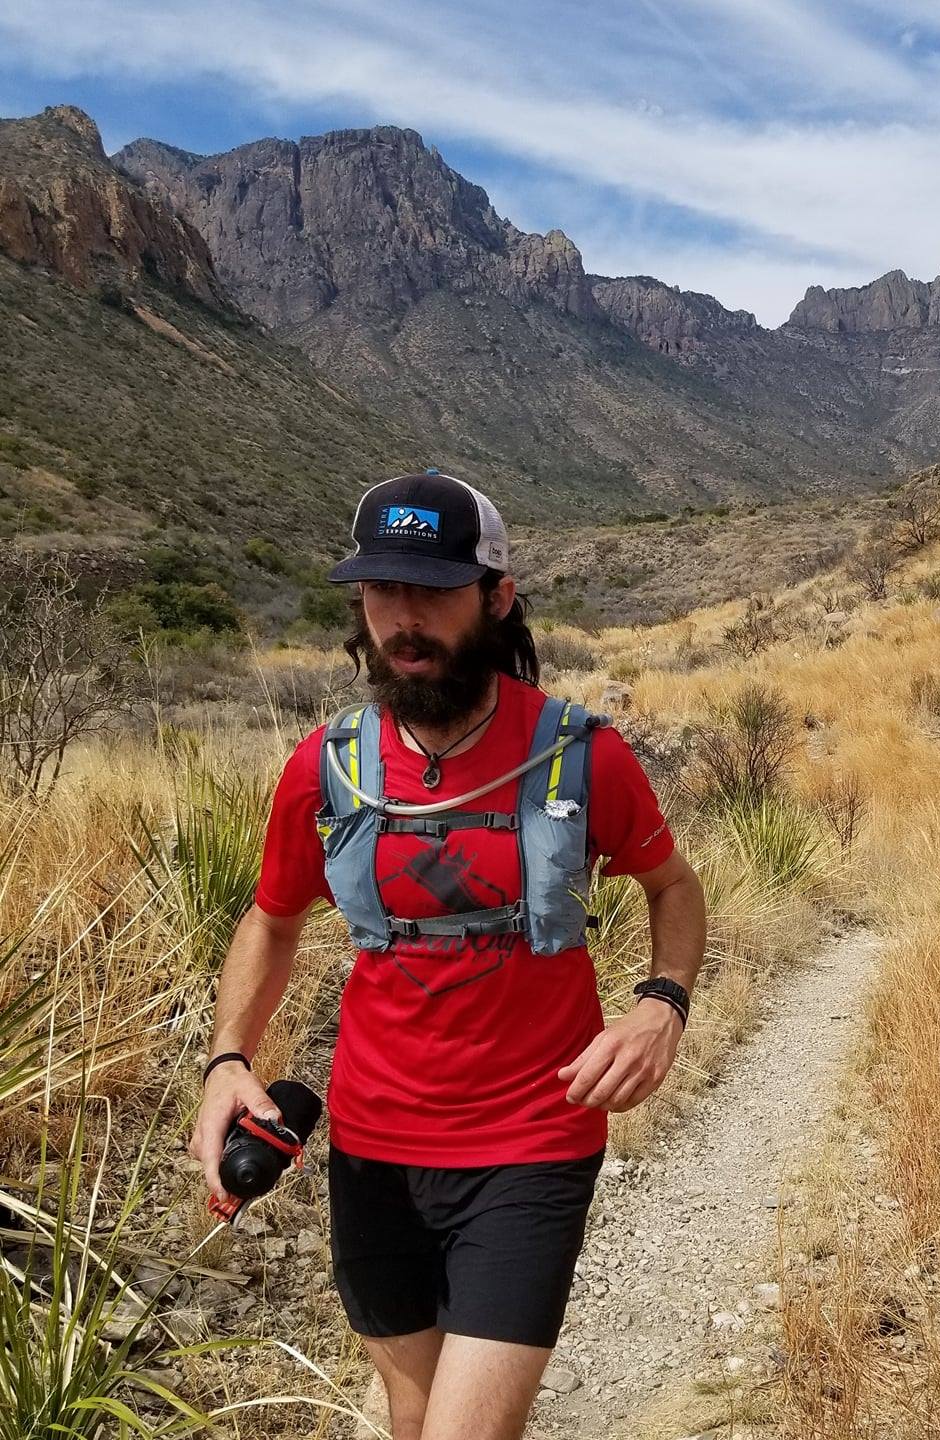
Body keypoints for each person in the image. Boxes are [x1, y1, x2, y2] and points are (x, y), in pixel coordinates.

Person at [190, 470, 707, 1440]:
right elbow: (272, 920)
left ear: (497, 597)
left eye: (430, 591)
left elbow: (672, 888)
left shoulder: (580, 756)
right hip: (373, 1151)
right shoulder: (327, 766)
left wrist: (659, 1005)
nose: (402, 620)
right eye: (382, 592)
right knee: (411, 1415)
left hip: (531, 1145)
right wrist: (227, 1060)